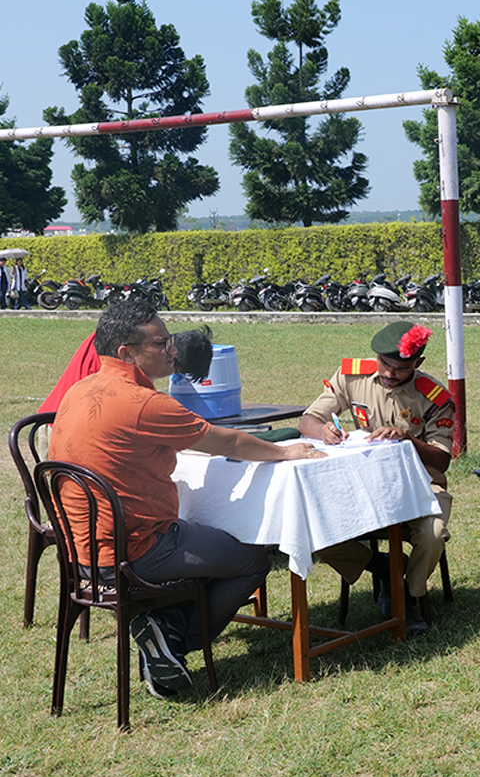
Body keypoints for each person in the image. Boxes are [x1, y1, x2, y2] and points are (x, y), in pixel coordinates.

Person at [49, 299, 323, 700]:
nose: (174, 351)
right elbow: (225, 441)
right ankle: (170, 636)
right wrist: (284, 451)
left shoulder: (80, 389)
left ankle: (163, 623)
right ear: (127, 353)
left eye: (170, 340)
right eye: (161, 344)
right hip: (133, 550)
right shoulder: (145, 404)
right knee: (251, 559)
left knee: (209, 539)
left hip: (78, 550)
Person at [298, 320, 455, 638]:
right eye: (385, 364)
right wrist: (323, 431)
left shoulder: (434, 397)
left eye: (399, 368)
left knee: (433, 532)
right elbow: (308, 419)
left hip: (419, 485)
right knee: (313, 525)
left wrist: (409, 440)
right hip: (359, 485)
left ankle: (408, 597)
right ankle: (381, 568)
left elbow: (442, 460)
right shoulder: (352, 375)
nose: (389, 373)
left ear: (418, 364)